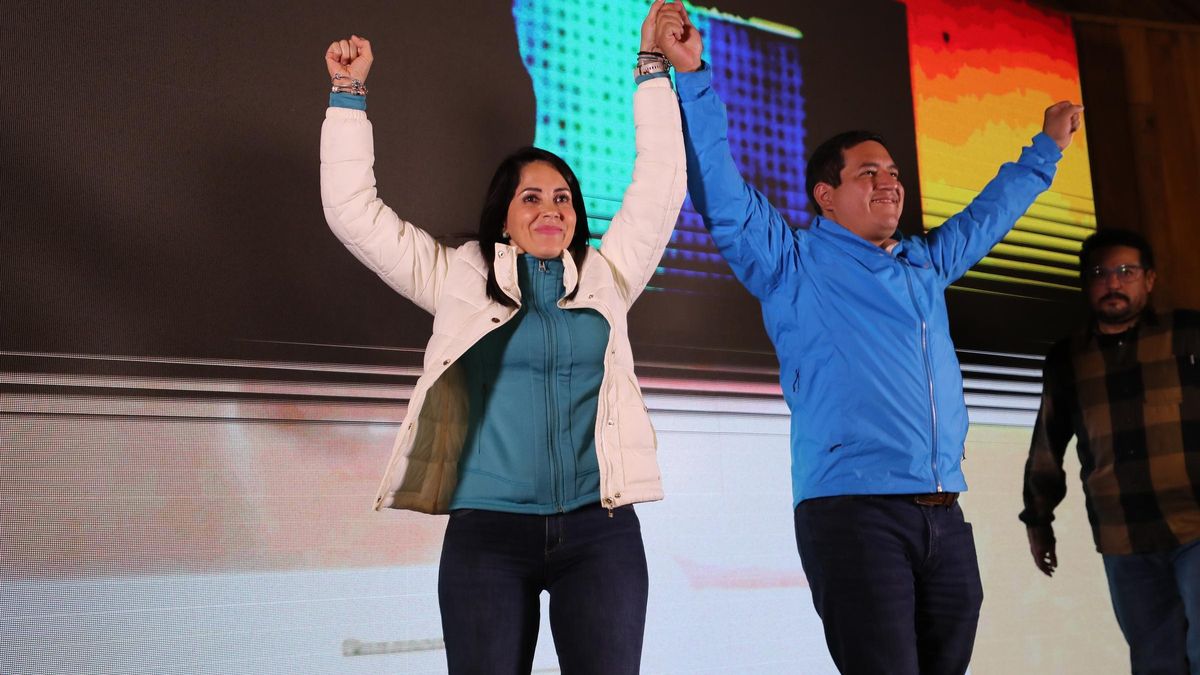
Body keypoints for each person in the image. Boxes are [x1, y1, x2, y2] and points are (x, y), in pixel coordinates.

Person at [652, 4, 1081, 673]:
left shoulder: (924, 263)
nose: (891, 183)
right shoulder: (791, 261)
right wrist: (693, 75)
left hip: (945, 513)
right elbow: (723, 190)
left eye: (895, 174)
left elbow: (989, 215)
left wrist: (1048, 147)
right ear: (826, 195)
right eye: (868, 174)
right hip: (853, 513)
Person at [318, 4, 686, 672]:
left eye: (563, 199)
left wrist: (652, 67)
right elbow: (355, 215)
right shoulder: (457, 275)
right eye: (532, 198)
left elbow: (661, 182)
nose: (551, 209)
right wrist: (348, 97)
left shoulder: (608, 276)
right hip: (487, 533)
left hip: (598, 532)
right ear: (504, 215)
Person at [1020, 228, 1200, 674]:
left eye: (1126, 271)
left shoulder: (1189, 335)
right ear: (1086, 282)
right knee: (1154, 662)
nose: (1113, 282)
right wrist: (1038, 520)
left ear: (1150, 279)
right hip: (1123, 535)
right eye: (1100, 273)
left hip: (1195, 525)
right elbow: (1047, 443)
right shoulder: (1067, 359)